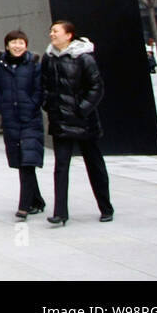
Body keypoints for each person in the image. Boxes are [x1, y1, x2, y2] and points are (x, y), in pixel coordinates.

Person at [41, 20, 114, 225]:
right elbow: (44, 85)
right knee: (61, 167)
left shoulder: (84, 58)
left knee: (95, 165)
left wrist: (81, 109)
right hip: (60, 121)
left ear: (68, 35)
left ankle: (106, 207)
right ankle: (60, 213)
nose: (52, 34)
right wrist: (49, 105)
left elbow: (96, 87)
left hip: (84, 121)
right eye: (51, 31)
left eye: (56, 31)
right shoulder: (49, 58)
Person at [0, 29, 45, 220]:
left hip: (30, 119)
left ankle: (24, 205)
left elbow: (40, 89)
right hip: (11, 118)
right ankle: (37, 200)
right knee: (22, 160)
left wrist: (31, 105)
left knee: (27, 162)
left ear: (26, 45)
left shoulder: (34, 64)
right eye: (13, 42)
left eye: (21, 42)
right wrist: (2, 107)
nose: (17, 45)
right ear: (7, 45)